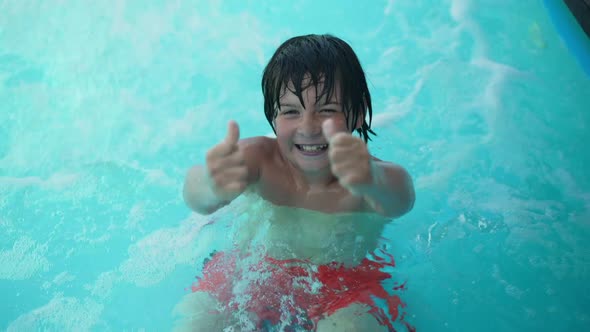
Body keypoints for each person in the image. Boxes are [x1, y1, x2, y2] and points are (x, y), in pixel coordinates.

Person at [179, 34, 415, 331]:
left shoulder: (368, 179)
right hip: (257, 271)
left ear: (357, 111)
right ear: (274, 117)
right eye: (291, 111)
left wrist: (370, 179)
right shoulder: (259, 160)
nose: (308, 127)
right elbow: (193, 191)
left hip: (341, 283)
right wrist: (212, 186)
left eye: (328, 110)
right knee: (197, 319)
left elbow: (402, 196)